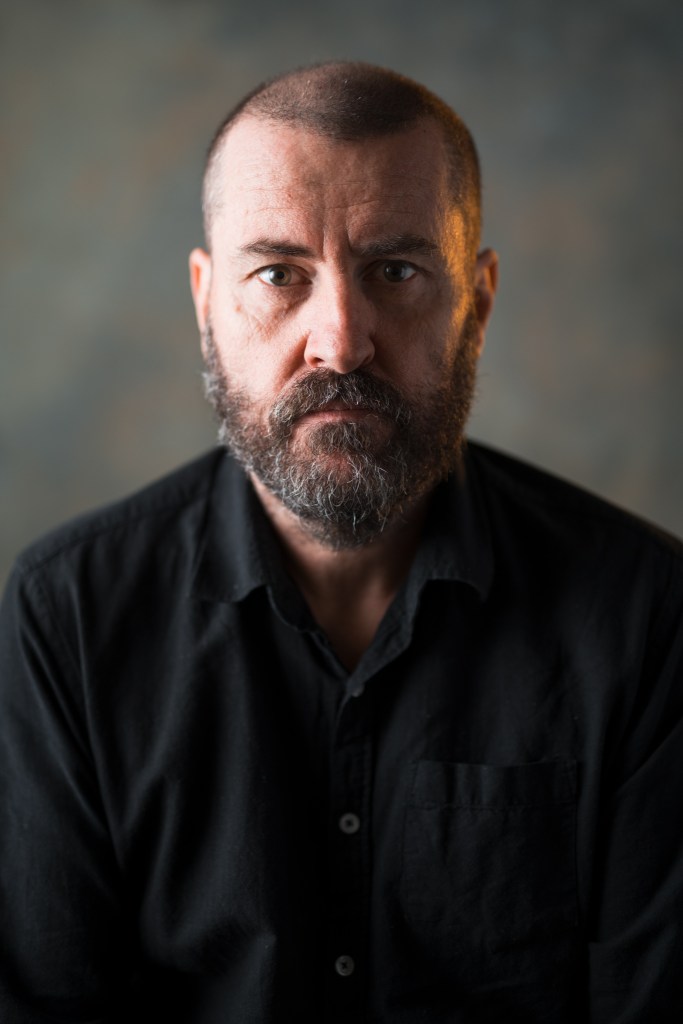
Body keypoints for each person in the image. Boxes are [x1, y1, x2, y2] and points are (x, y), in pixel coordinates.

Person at [0, 61, 681, 1024]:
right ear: (205, 300)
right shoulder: (66, 616)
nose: (340, 341)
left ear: (477, 300)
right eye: (279, 275)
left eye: (395, 272)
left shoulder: (647, 615)